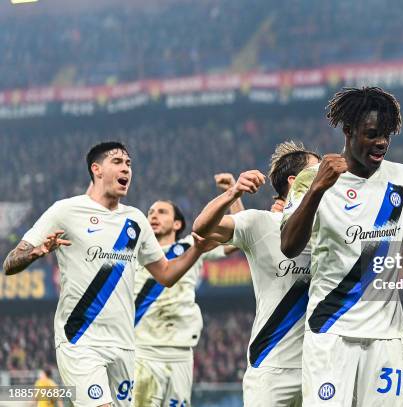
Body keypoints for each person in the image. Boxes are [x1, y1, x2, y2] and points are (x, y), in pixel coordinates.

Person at [3, 142, 211, 407]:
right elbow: (10, 263)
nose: (126, 168)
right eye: (117, 161)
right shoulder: (65, 211)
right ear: (96, 169)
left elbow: (166, 274)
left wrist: (197, 250)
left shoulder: (135, 221)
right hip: (79, 339)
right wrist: (35, 253)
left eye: (129, 164)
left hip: (124, 345)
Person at [280, 87, 403, 406]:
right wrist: (317, 189)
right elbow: (289, 245)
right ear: (348, 131)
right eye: (372, 134)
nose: (381, 142)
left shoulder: (402, 179)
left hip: (386, 334)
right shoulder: (312, 179)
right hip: (331, 330)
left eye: (386, 135)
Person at [193, 141, 320, 407]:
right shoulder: (260, 223)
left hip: (319, 367)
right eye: (316, 171)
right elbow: (203, 227)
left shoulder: (331, 229)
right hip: (270, 367)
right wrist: (233, 192)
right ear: (295, 182)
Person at [132, 177, 241, 407]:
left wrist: (234, 193)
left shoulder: (192, 246)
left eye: (162, 212)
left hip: (180, 352)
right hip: (142, 350)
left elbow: (237, 240)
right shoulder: (133, 252)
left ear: (177, 224)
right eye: (151, 211)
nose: (153, 215)